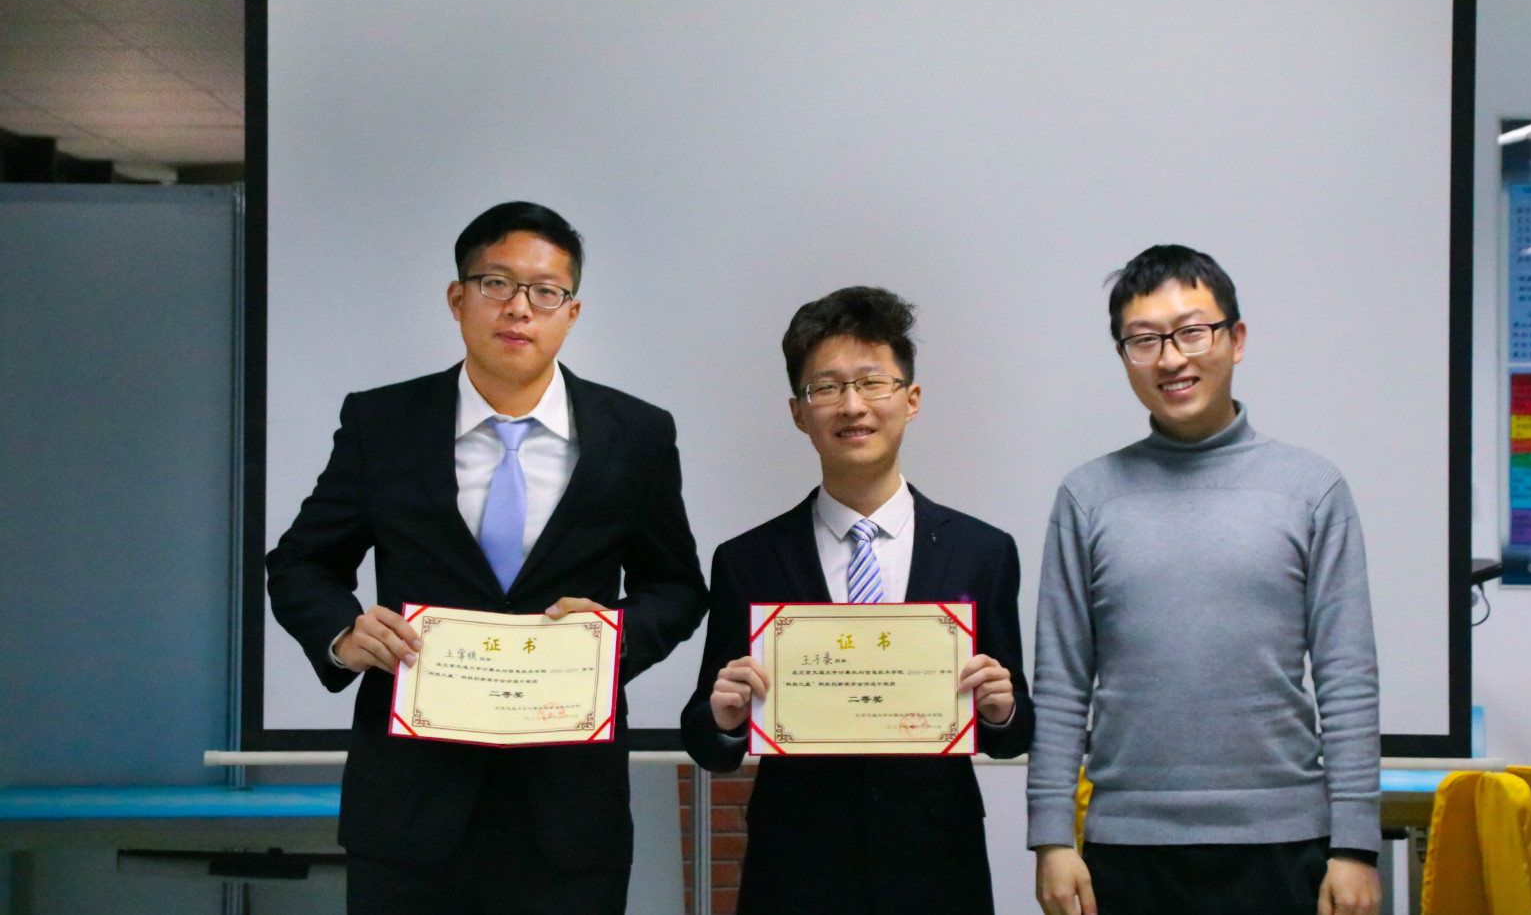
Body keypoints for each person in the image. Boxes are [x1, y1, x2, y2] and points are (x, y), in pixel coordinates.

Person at [266, 201, 708, 915]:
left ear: (571, 312)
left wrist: (614, 638)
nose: (519, 308)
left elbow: (678, 586)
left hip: (569, 810)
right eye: (496, 283)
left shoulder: (637, 434)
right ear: (457, 298)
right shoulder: (383, 423)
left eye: (545, 292)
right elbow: (300, 563)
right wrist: (343, 633)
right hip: (410, 807)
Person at [1030, 245, 1381, 915]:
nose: (1170, 358)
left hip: (1284, 840)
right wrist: (1051, 837)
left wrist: (1356, 846)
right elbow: (1061, 681)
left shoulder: (1313, 489)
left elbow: (1347, 676)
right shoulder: (1087, 497)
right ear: (1124, 356)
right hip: (1127, 845)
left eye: (1192, 332)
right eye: (1144, 340)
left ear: (1236, 339)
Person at [681, 286, 1035, 915]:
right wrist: (725, 718)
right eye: (826, 387)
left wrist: (1002, 711)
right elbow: (706, 739)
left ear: (911, 399)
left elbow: (1012, 734)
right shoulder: (748, 560)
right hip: (796, 869)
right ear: (799, 412)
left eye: (873, 382)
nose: (852, 405)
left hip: (936, 866)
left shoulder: (982, 552)